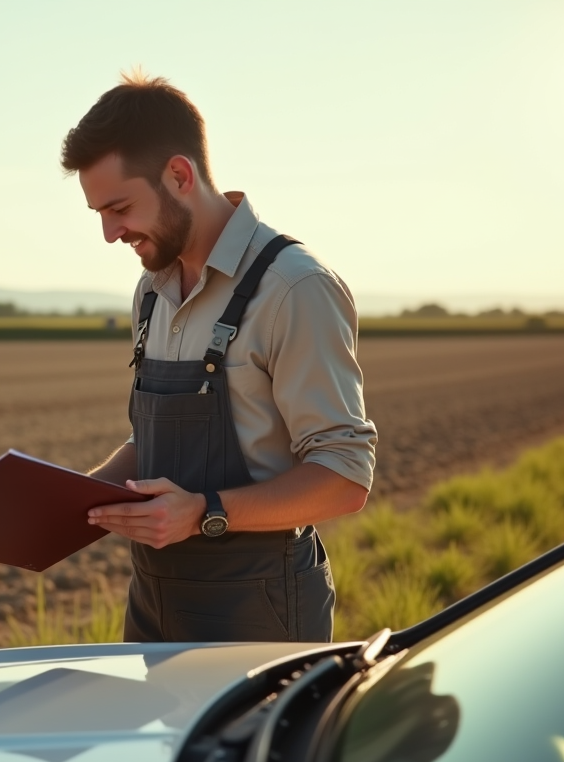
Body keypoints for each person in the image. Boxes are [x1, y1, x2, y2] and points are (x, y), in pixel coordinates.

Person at [67, 72, 377, 643]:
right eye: (100, 215)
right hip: (152, 596)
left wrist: (205, 511)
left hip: (259, 604)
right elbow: (149, 443)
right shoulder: (152, 289)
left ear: (180, 175)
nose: (111, 233)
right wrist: (55, 497)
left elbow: (344, 478)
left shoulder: (293, 287)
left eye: (120, 208)